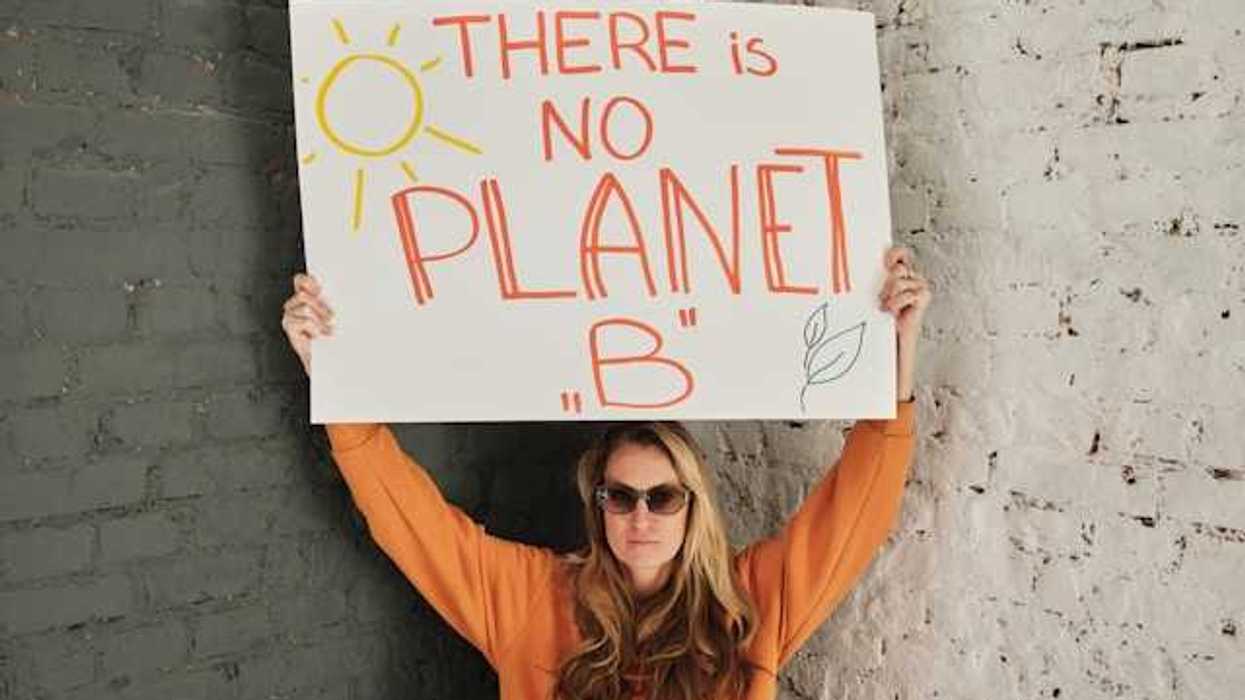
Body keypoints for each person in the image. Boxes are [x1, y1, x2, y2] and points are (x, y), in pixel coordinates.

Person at [280, 246, 931, 700]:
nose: (639, 517)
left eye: (662, 497)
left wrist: (898, 350)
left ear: (692, 505)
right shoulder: (530, 597)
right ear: (597, 506)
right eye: (619, 497)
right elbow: (410, 524)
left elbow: (855, 514)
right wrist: (333, 378)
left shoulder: (749, 601)